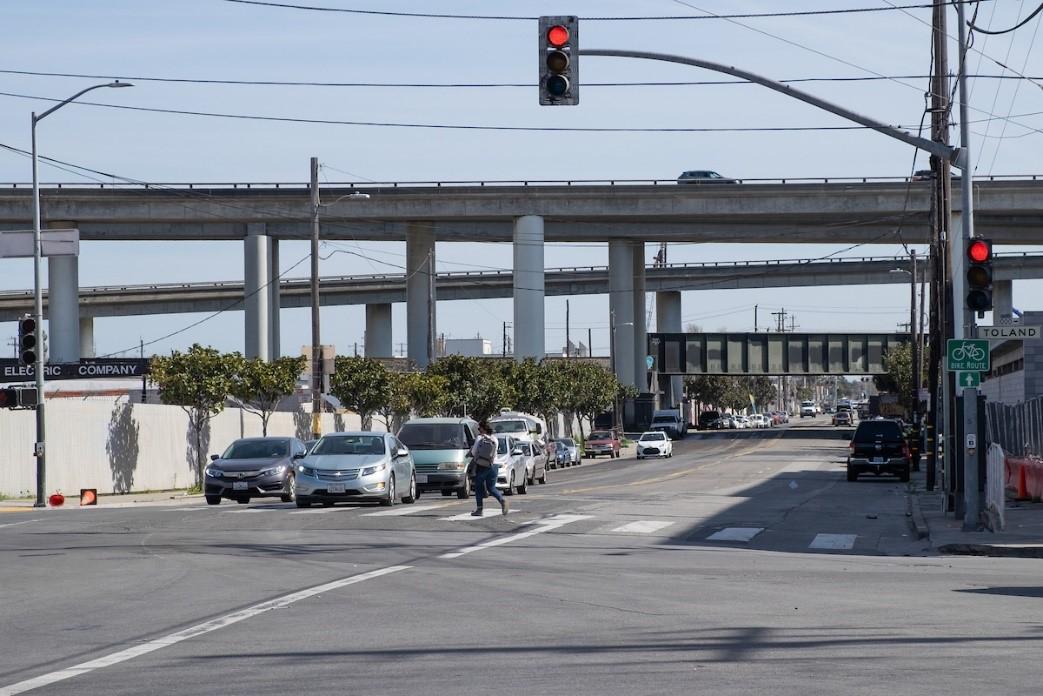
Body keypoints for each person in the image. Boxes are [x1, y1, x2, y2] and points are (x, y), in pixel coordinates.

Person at [469, 420, 508, 516]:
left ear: (483, 429)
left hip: (482, 465)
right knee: (491, 487)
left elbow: (474, 452)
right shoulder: (495, 439)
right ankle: (502, 499)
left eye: (479, 428)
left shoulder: (479, 438)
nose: (478, 430)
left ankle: (479, 509)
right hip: (494, 465)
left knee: (478, 486)